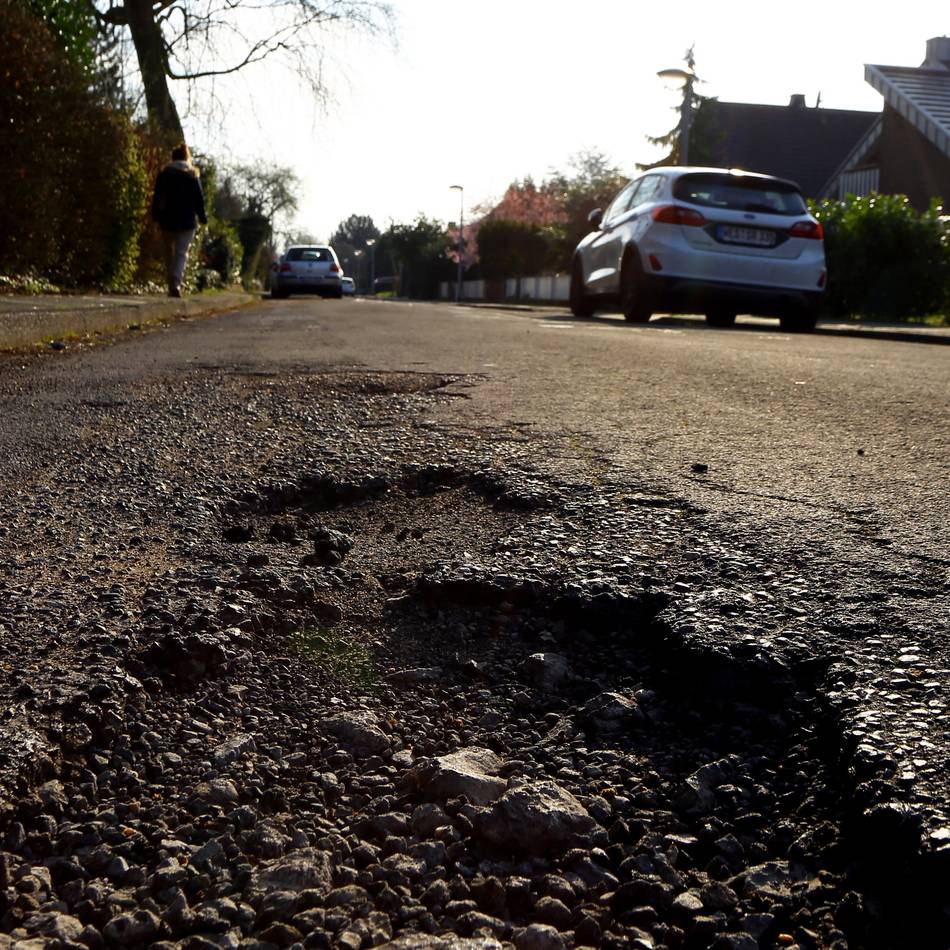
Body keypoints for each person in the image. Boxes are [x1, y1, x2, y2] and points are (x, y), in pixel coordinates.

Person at [150, 143, 207, 298]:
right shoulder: (192, 175)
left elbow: (158, 197)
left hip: (167, 218)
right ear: (187, 157)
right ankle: (175, 282)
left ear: (172, 157)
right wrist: (202, 217)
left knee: (169, 252)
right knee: (181, 253)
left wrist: (155, 215)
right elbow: (199, 200)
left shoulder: (165, 174)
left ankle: (171, 282)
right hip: (187, 221)